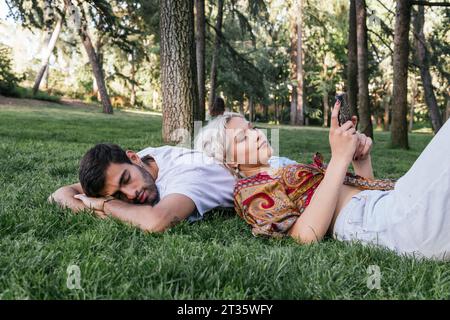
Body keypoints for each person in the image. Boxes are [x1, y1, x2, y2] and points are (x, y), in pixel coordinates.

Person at [194, 101, 450, 260]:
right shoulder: (248, 190)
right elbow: (303, 237)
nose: (256, 134)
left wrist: (360, 159)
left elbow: (359, 193)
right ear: (230, 162)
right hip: (391, 223)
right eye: (242, 138)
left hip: (387, 208)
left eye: (252, 128)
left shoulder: (280, 169)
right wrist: (339, 158)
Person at [48, 143, 235, 232]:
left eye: (126, 179)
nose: (131, 194)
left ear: (134, 157)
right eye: (117, 195)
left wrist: (105, 205)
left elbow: (156, 223)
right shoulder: (141, 164)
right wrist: (90, 204)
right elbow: (58, 195)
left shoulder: (187, 173)